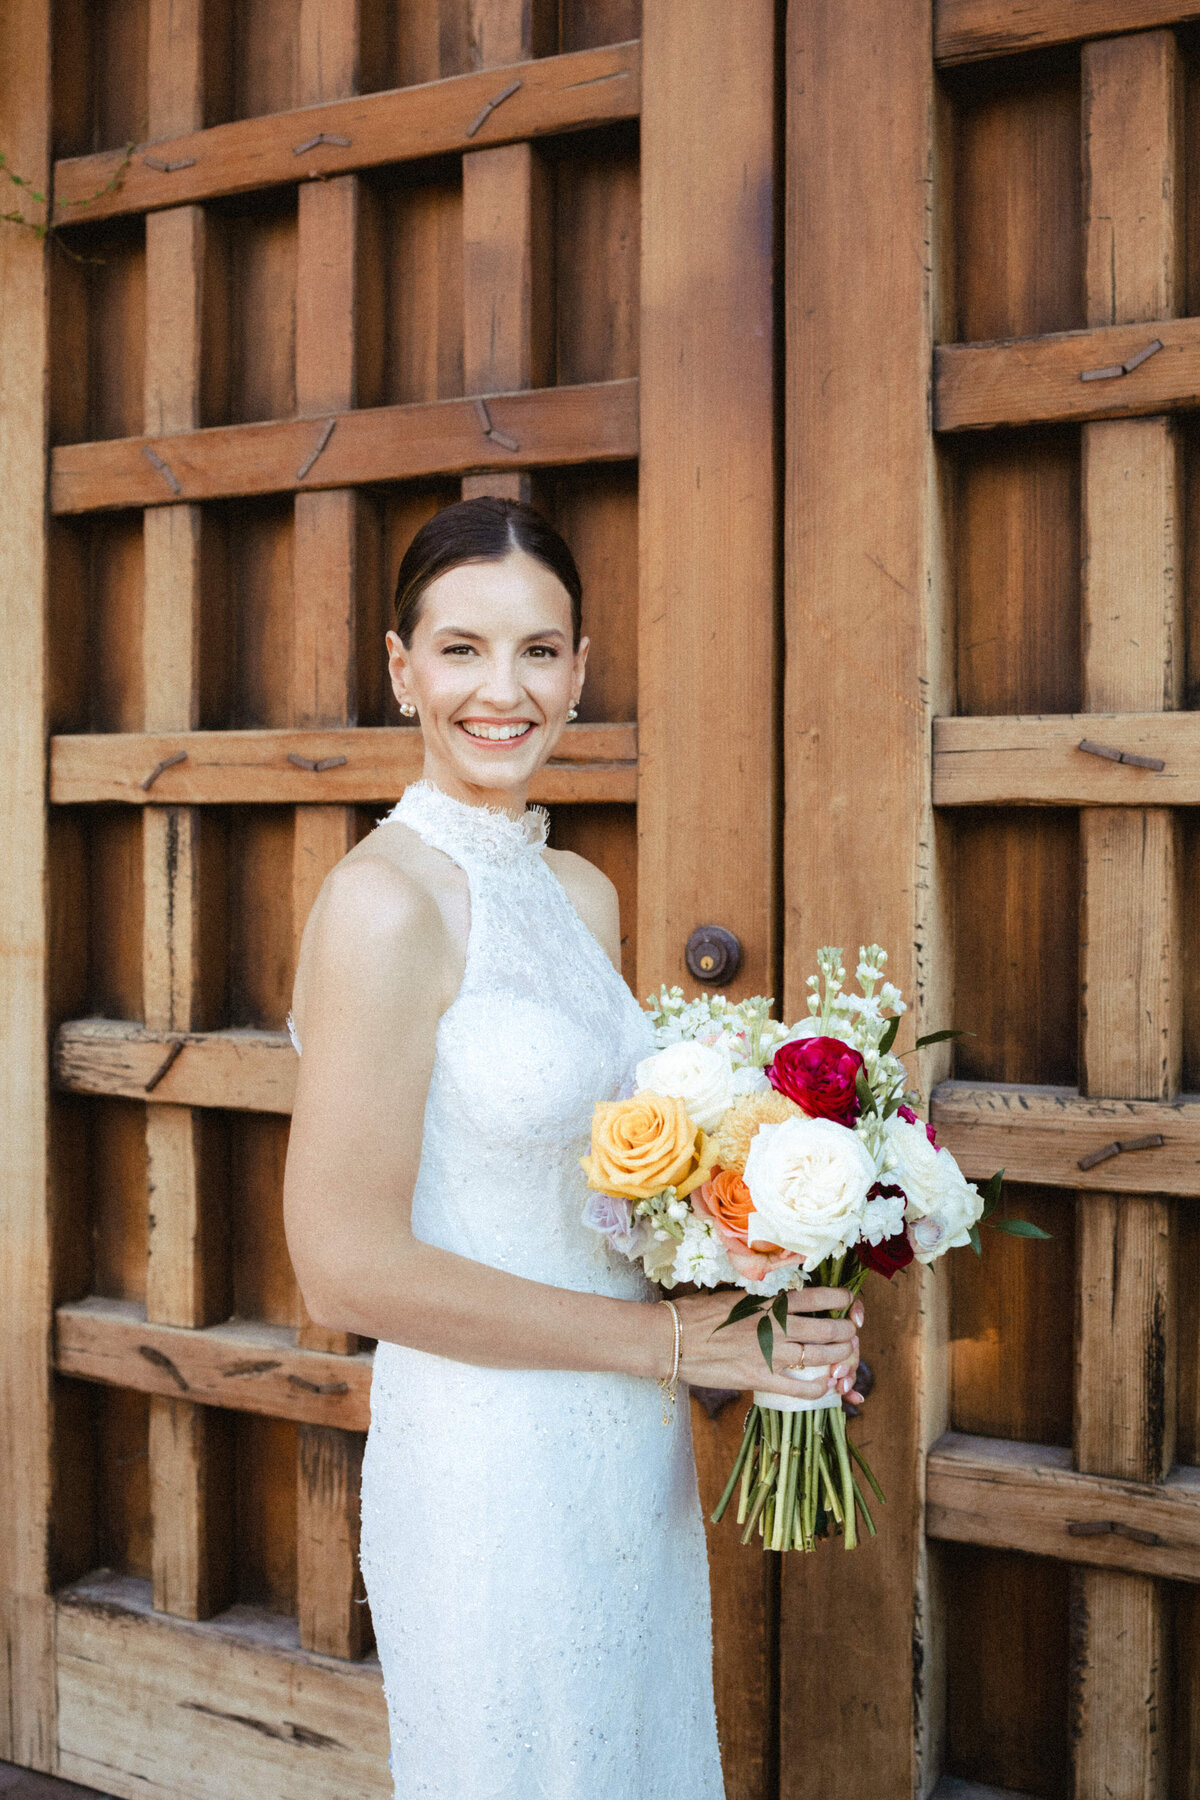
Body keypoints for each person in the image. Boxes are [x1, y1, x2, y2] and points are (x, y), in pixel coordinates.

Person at [283, 496, 865, 1799]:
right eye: (462, 650)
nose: (505, 689)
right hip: (488, 1460)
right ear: (401, 670)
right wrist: (674, 1346)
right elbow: (343, 1271)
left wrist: (772, 1295)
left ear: (582, 671)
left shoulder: (581, 893)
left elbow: (601, 1198)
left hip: (623, 1453)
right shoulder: (382, 905)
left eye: (540, 651)